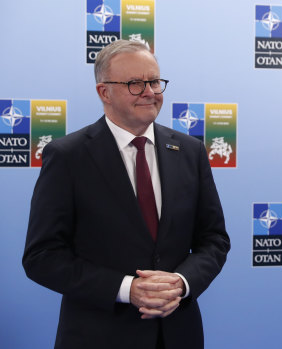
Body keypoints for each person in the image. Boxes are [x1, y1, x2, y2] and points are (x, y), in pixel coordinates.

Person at [23, 40, 230, 349]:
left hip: (177, 334)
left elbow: (214, 239)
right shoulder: (68, 156)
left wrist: (181, 283)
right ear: (104, 92)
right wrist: (126, 289)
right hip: (98, 336)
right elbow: (41, 257)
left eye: (155, 81)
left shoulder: (190, 151)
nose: (150, 91)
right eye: (135, 83)